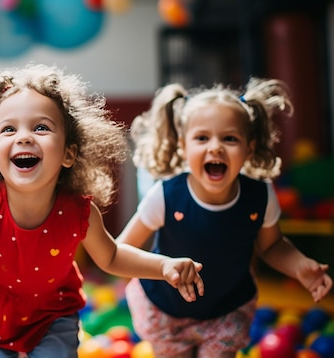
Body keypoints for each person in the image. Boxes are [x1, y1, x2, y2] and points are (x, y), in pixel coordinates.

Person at [0, 63, 205, 357]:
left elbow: (112, 256)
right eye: (8, 129)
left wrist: (163, 266)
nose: (24, 137)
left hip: (53, 315)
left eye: (41, 127)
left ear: (69, 153)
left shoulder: (79, 212)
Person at [117, 78, 333, 358]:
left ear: (249, 147)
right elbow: (121, 251)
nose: (216, 147)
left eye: (229, 138)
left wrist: (299, 265)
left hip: (226, 311)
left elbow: (271, 246)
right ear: (183, 146)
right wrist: (162, 267)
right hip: (165, 310)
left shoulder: (259, 195)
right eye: (202, 138)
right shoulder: (167, 196)